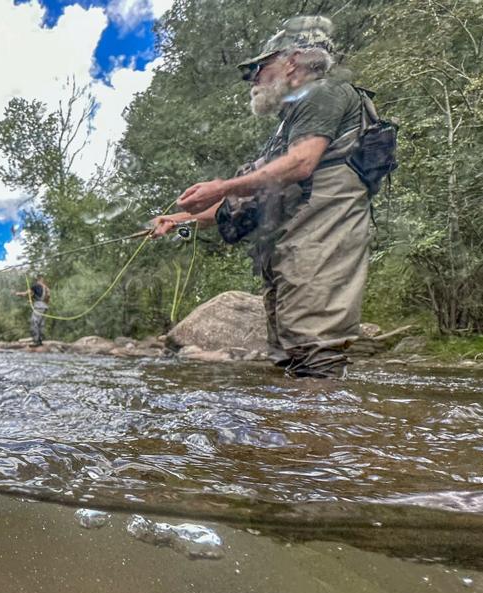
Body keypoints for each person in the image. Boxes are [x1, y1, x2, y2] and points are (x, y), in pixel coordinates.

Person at [152, 16, 372, 378]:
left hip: (321, 246)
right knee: (292, 359)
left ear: (293, 61)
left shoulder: (323, 93)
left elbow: (302, 164)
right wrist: (178, 219)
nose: (253, 78)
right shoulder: (291, 120)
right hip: (294, 253)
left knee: (314, 357)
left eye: (259, 67)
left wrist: (222, 186)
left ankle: (321, 433)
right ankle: (306, 432)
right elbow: (249, 200)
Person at [14, 275, 50, 347]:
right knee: (41, 324)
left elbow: (25, 294)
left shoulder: (35, 286)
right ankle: (40, 341)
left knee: (34, 322)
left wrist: (17, 293)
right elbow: (48, 296)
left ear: (38, 279)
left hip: (38, 306)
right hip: (45, 306)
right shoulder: (46, 288)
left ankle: (36, 341)